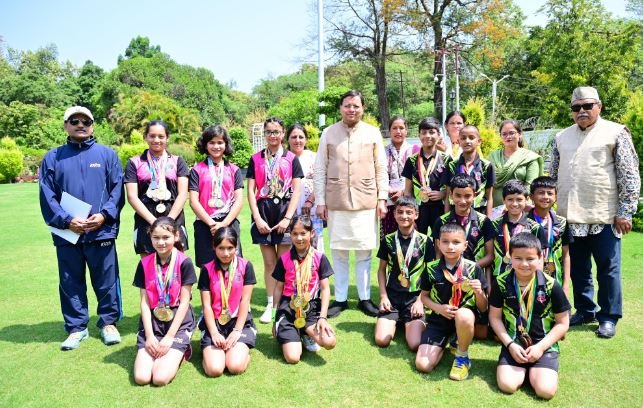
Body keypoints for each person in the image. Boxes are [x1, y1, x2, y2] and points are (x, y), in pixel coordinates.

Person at [550, 86, 640, 339]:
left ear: (599, 106)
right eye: (576, 107)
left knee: (608, 269)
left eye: (587, 106)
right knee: (578, 269)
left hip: (606, 215)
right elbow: (552, 174)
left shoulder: (616, 132)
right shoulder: (561, 137)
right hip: (570, 215)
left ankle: (609, 316)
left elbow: (629, 174)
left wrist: (625, 211)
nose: (582, 111)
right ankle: (585, 310)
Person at [39, 106, 124, 350]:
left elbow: (117, 190)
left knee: (107, 280)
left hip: (100, 231)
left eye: (85, 121)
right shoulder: (53, 157)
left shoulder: (107, 155)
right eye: (74, 121)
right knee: (70, 282)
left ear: (92, 125)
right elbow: (47, 195)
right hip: (68, 233)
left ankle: (109, 323)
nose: (80, 125)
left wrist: (104, 216)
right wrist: (66, 220)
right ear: (66, 125)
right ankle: (77, 328)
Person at [314, 90, 388, 318]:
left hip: (366, 201)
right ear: (341, 108)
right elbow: (320, 168)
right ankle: (341, 299)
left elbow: (381, 167)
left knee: (364, 252)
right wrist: (320, 201)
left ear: (363, 108)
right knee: (339, 252)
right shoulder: (328, 133)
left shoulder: (373, 133)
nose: (352, 109)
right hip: (336, 201)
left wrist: (382, 198)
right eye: (347, 105)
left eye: (356, 105)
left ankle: (365, 298)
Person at [489, 232, 570, 400]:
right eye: (518, 258)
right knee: (507, 385)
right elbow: (494, 317)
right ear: (510, 257)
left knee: (545, 391)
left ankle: (536, 371)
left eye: (530, 259)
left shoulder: (551, 285)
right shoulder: (501, 283)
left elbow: (563, 323)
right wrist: (510, 345)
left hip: (544, 346)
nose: (524, 264)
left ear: (540, 258)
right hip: (514, 344)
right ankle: (524, 370)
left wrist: (540, 347)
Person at [247, 117, 303, 323]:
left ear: (283, 133)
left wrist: (288, 218)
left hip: (284, 213)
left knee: (284, 263)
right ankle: (271, 305)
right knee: (269, 263)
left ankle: (283, 303)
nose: (273, 136)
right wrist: (257, 218)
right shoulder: (255, 158)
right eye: (269, 132)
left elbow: (297, 190)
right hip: (263, 213)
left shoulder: (291, 158)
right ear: (264, 134)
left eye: (276, 132)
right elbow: (250, 191)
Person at [415, 223, 488, 381]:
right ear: (438, 243)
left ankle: (462, 356)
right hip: (438, 320)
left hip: (464, 320)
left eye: (456, 242)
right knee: (423, 365)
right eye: (445, 242)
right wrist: (439, 308)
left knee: (463, 315)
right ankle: (449, 341)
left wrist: (479, 292)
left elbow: (483, 308)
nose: (450, 246)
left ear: (465, 245)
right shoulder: (431, 268)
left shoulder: (474, 268)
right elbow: (424, 297)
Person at [132, 217, 196, 386]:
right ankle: (157, 346)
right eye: (156, 238)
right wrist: (149, 336)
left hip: (177, 323)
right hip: (153, 322)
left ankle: (182, 350)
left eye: (166, 237)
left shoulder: (184, 262)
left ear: (176, 236)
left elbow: (184, 303)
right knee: (142, 378)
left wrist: (169, 337)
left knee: (160, 378)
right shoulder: (144, 263)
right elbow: (144, 303)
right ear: (150, 237)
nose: (161, 242)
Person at [432, 174, 494, 339]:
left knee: (481, 334)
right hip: (448, 274)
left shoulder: (484, 222)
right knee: (448, 314)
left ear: (475, 195)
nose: (462, 200)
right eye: (458, 195)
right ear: (451, 195)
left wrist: (469, 269)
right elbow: (438, 253)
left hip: (474, 276)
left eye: (467, 196)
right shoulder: (441, 221)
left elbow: (490, 255)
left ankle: (468, 323)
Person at [272, 215, 336, 363]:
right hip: (288, 308)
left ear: (312, 233)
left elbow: (325, 289)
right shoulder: (284, 259)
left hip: (311, 308)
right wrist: (274, 318)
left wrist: (323, 318)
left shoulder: (320, 258)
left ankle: (305, 332)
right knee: (293, 357)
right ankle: (290, 332)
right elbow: (278, 288)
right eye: (295, 234)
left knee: (329, 342)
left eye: (303, 233)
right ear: (290, 235)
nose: (299, 238)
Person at [375, 197, 432, 351]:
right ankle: (397, 319)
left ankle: (406, 320)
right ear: (394, 214)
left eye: (409, 212)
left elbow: (429, 273)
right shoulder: (388, 240)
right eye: (400, 212)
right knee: (381, 340)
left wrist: (420, 301)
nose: (404, 216)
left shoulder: (426, 241)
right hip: (392, 297)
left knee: (415, 344)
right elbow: (381, 270)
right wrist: (383, 297)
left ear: (416, 215)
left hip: (414, 298)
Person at [125, 120, 189, 257]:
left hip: (174, 219)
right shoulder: (134, 162)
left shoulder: (178, 161)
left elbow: (183, 194)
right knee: (148, 266)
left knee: (176, 265)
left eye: (161, 136)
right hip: (146, 220)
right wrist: (154, 222)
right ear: (145, 137)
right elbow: (132, 196)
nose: (156, 140)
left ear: (167, 138)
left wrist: (169, 221)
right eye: (152, 136)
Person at [199, 227, 256, 376]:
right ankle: (210, 355)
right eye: (221, 248)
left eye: (230, 248)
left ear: (236, 246)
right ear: (214, 247)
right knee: (215, 370)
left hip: (239, 322)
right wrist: (214, 333)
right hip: (215, 323)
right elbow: (206, 305)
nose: (226, 253)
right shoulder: (206, 269)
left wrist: (237, 330)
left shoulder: (246, 266)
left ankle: (241, 354)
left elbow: (245, 301)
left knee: (235, 367)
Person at [189, 125, 244, 266]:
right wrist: (212, 224)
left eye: (220, 142)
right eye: (212, 142)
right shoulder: (197, 170)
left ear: (226, 144)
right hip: (205, 224)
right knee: (207, 268)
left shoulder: (234, 169)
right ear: (205, 145)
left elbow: (239, 200)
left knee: (233, 266)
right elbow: (193, 201)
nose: (216, 146)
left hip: (229, 223)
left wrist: (223, 224)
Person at [402, 117, 449, 235]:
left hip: (440, 208)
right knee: (418, 241)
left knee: (440, 240)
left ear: (439, 135)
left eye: (432, 132)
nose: (428, 136)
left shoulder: (447, 159)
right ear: (419, 135)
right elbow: (407, 192)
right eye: (424, 132)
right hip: (419, 210)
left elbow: (452, 188)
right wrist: (410, 214)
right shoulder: (411, 160)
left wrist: (443, 194)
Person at [491, 181, 546, 280]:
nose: (515, 204)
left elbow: (540, 257)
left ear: (527, 199)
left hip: (527, 278)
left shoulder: (535, 228)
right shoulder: (493, 225)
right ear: (503, 200)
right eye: (510, 199)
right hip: (498, 278)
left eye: (519, 199)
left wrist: (538, 281)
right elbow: (489, 254)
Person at [527, 176, 572, 297]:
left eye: (550, 193)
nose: (546, 196)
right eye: (541, 193)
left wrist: (566, 285)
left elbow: (566, 255)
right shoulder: (524, 222)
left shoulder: (562, 223)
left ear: (556, 197)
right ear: (531, 196)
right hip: (528, 277)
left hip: (555, 278)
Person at [488, 120, 543, 208]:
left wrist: (517, 206)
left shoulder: (529, 157)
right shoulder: (493, 156)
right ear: (500, 136)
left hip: (520, 208)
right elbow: (487, 184)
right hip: (495, 209)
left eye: (511, 133)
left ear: (519, 134)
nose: (508, 136)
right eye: (504, 134)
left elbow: (531, 186)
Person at [287, 123, 324, 252]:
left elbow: (322, 181)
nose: (297, 140)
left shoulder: (315, 157)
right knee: (292, 252)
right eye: (294, 137)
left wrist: (310, 200)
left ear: (306, 139)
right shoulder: (283, 159)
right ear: (287, 139)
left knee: (315, 250)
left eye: (301, 137)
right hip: (289, 213)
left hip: (311, 211)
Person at [445, 125, 496, 217]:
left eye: (471, 138)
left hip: (479, 212)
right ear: (458, 142)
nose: (467, 141)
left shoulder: (486, 166)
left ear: (479, 141)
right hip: (456, 213)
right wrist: (446, 218)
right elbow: (447, 196)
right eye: (463, 138)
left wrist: (488, 219)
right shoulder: (451, 165)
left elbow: (489, 197)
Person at [382, 115, 419, 236]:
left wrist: (403, 192)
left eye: (401, 128)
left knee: (409, 237)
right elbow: (379, 174)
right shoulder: (382, 152)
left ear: (406, 131)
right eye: (394, 128)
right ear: (389, 131)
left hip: (409, 201)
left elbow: (419, 177)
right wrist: (389, 190)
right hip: (389, 200)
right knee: (390, 237)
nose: (398, 131)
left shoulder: (415, 150)